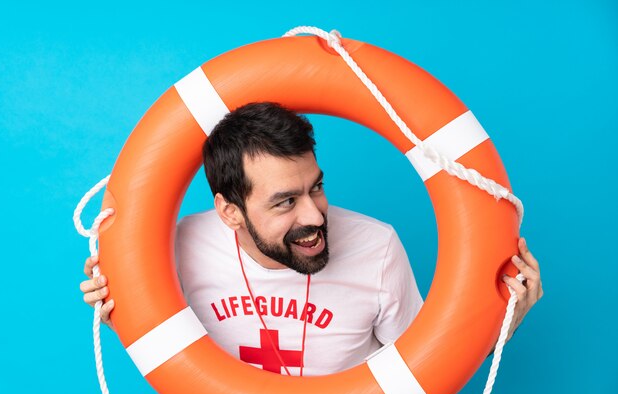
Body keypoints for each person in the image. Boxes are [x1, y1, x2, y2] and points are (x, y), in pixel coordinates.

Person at [80, 102, 543, 376]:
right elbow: (152, 329)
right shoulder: (174, 248)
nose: (314, 215)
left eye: (316, 187)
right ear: (230, 212)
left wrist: (503, 326)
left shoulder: (377, 247)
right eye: (284, 202)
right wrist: (119, 301)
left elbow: (428, 368)